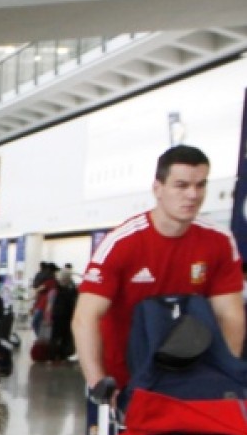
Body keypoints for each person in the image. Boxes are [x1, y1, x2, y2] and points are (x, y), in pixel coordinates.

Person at [72, 145, 244, 395]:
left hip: (187, 381)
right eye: (181, 185)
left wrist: (221, 377)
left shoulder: (219, 241)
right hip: (122, 381)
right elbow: (85, 317)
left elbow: (231, 316)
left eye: (200, 185)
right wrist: (98, 383)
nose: (193, 195)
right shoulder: (122, 243)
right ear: (158, 189)